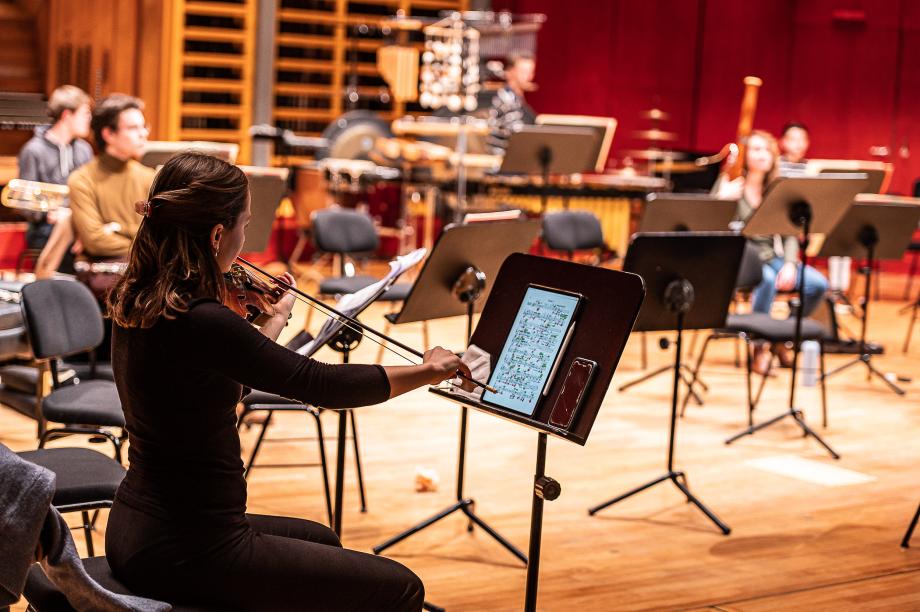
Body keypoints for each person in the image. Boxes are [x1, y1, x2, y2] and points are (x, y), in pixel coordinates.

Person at [105, 152, 466, 611]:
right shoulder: (202, 319)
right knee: (401, 587)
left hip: (139, 525)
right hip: (192, 545)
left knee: (322, 539)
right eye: (245, 225)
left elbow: (228, 382)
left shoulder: (140, 297)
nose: (245, 240)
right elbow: (319, 383)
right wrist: (429, 369)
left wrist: (272, 321)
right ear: (218, 234)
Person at [716, 130, 829, 371]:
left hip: (771, 256)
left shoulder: (777, 190)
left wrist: (789, 263)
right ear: (746, 155)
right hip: (741, 259)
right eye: (756, 149)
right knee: (765, 281)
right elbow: (709, 224)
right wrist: (722, 200)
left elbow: (789, 233)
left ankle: (781, 337)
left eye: (767, 149)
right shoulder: (729, 182)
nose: (762, 154)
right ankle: (759, 347)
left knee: (817, 284)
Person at [68, 93, 154, 296]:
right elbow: (95, 241)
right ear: (108, 134)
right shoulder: (82, 179)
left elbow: (161, 234)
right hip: (105, 277)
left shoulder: (150, 177)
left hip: (143, 269)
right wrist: (142, 240)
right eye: (133, 128)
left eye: (144, 127)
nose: (143, 134)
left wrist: (119, 229)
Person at [17, 85, 93, 251]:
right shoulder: (33, 150)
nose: (89, 118)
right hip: (45, 227)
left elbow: (91, 191)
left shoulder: (84, 149)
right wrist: (49, 214)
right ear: (67, 115)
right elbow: (24, 201)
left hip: (79, 223)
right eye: (85, 113)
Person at [486, 52, 537, 154]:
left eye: (530, 72)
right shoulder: (505, 99)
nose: (527, 77)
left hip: (516, 158)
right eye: (522, 71)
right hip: (503, 160)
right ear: (509, 72)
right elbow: (518, 134)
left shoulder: (518, 99)